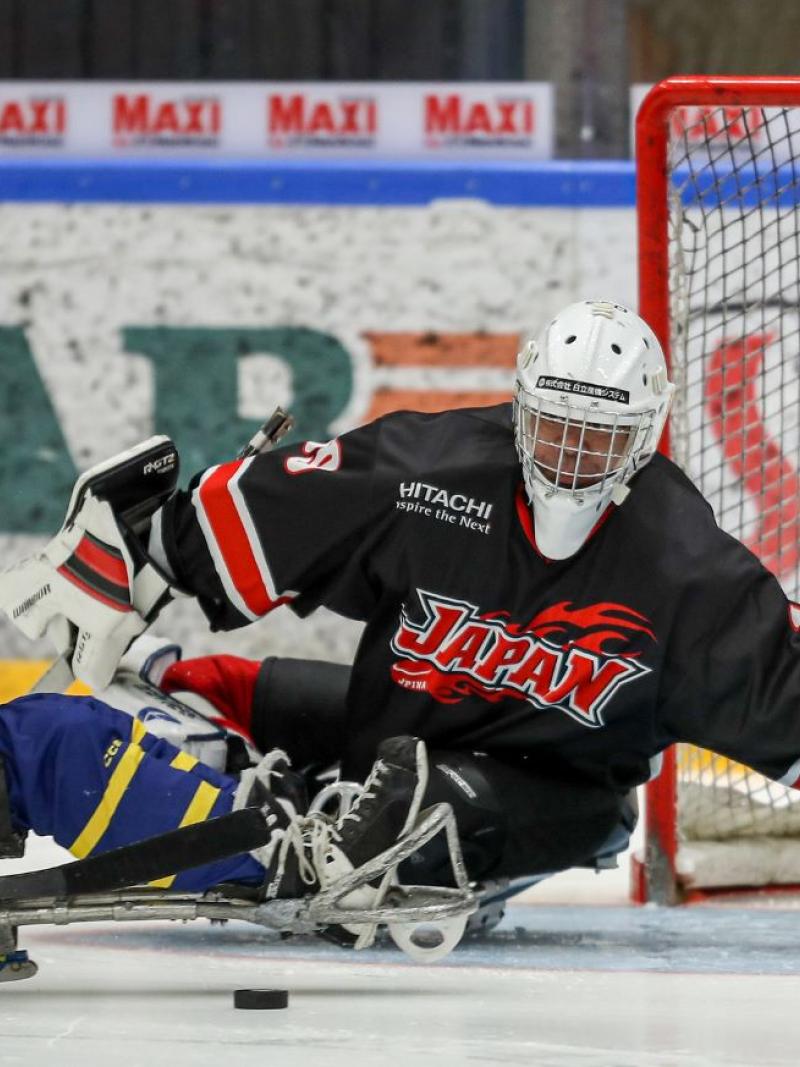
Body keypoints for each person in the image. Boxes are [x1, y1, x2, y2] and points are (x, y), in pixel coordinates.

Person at [5, 297, 800, 925]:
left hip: (547, 800)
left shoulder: (687, 573)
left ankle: (298, 854)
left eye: (598, 438)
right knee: (180, 691)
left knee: (396, 818)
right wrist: (143, 550)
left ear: (643, 437)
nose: (569, 458)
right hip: (393, 736)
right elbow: (256, 516)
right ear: (521, 408)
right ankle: (291, 816)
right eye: (556, 427)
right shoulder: (431, 475)